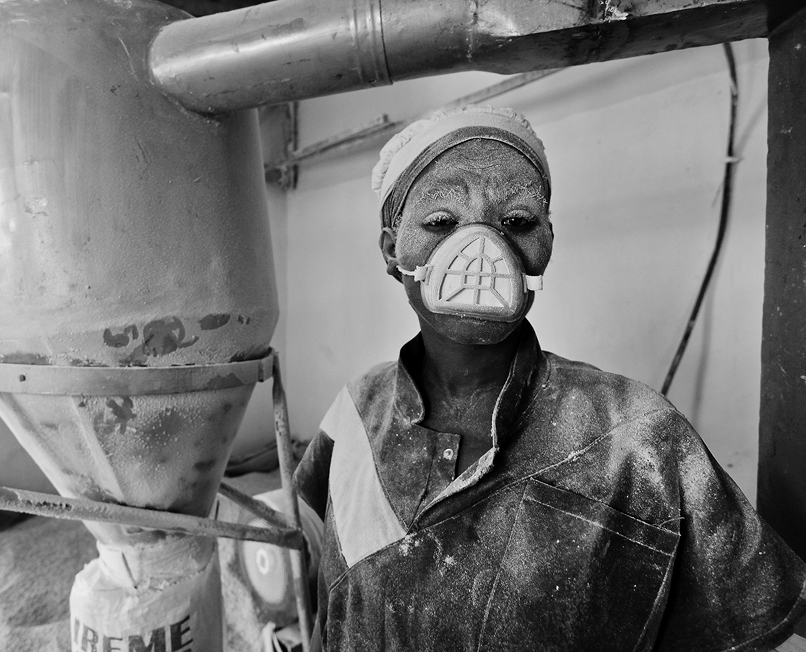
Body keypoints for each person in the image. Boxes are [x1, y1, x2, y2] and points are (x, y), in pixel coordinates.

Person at [293, 106, 806, 651]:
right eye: (441, 222)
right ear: (392, 249)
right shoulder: (354, 413)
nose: (481, 248)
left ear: (548, 244)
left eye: (517, 221)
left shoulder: (639, 438)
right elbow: (312, 572)